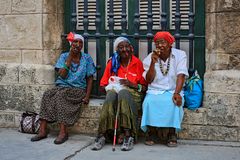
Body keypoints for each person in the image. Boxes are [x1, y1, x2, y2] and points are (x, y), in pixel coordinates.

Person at [30, 32, 96, 144]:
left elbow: (90, 78)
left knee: (60, 96)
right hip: (62, 86)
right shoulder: (64, 56)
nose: (78, 44)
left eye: (80, 43)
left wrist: (87, 96)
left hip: (78, 89)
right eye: (75, 42)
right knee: (48, 94)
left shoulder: (87, 58)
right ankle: (42, 130)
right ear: (71, 43)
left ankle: (63, 132)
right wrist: (69, 58)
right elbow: (62, 75)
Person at [91, 37, 147, 151]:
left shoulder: (137, 63)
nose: (125, 49)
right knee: (111, 94)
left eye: (127, 46)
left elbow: (144, 88)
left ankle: (128, 135)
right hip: (116, 97)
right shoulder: (112, 63)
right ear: (117, 50)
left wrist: (132, 84)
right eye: (121, 47)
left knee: (124, 92)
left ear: (131, 49)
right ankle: (102, 135)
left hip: (133, 98)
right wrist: (112, 85)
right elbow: (102, 86)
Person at [140, 31, 189, 147]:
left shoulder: (180, 55)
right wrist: (153, 63)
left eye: (163, 42)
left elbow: (181, 75)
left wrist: (177, 93)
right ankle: (151, 132)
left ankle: (172, 133)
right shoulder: (149, 58)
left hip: (173, 89)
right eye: (157, 43)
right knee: (149, 102)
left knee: (174, 103)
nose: (160, 46)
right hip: (155, 91)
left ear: (170, 43)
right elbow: (149, 79)